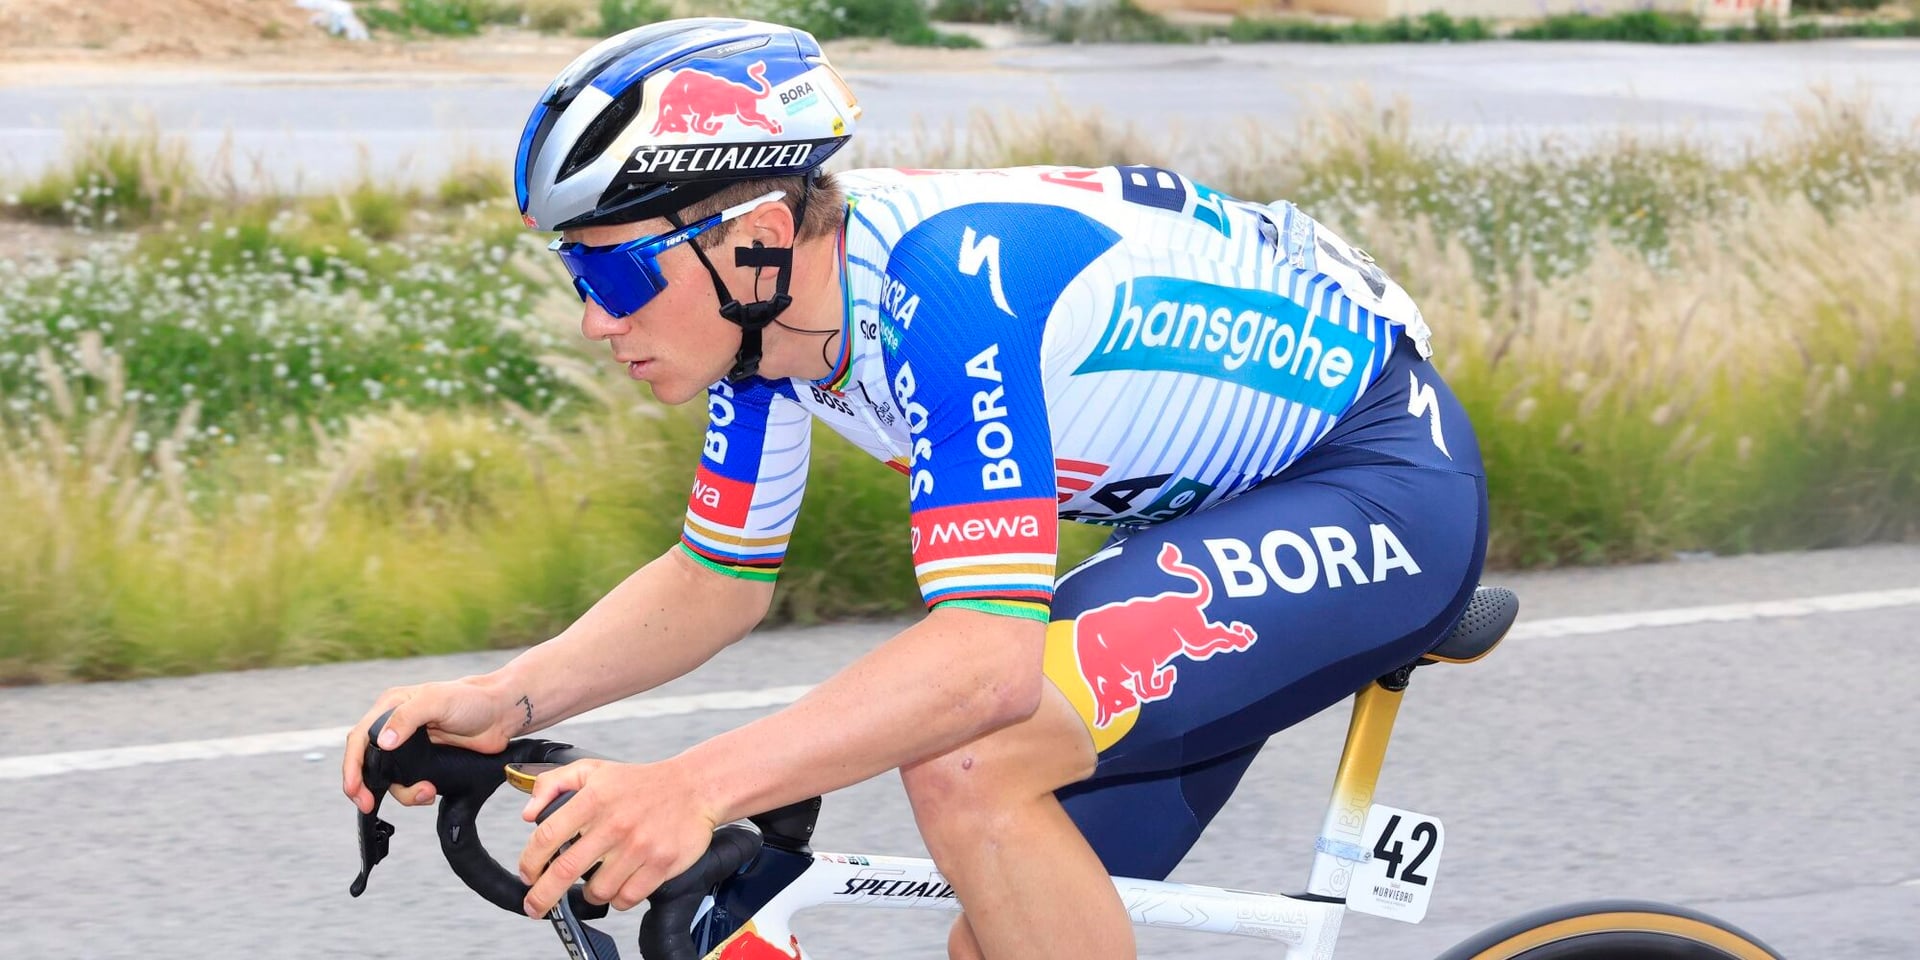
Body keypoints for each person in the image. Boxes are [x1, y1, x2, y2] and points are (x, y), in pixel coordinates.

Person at [340, 16, 1488, 960]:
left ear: (759, 237)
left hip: (1377, 483)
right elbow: (715, 581)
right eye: (577, 271)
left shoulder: (945, 290)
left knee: (971, 759)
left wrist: (689, 787)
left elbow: (982, 665)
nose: (597, 318)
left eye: (621, 268)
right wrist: (513, 698)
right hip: (1221, 515)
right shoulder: (775, 333)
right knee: (999, 931)